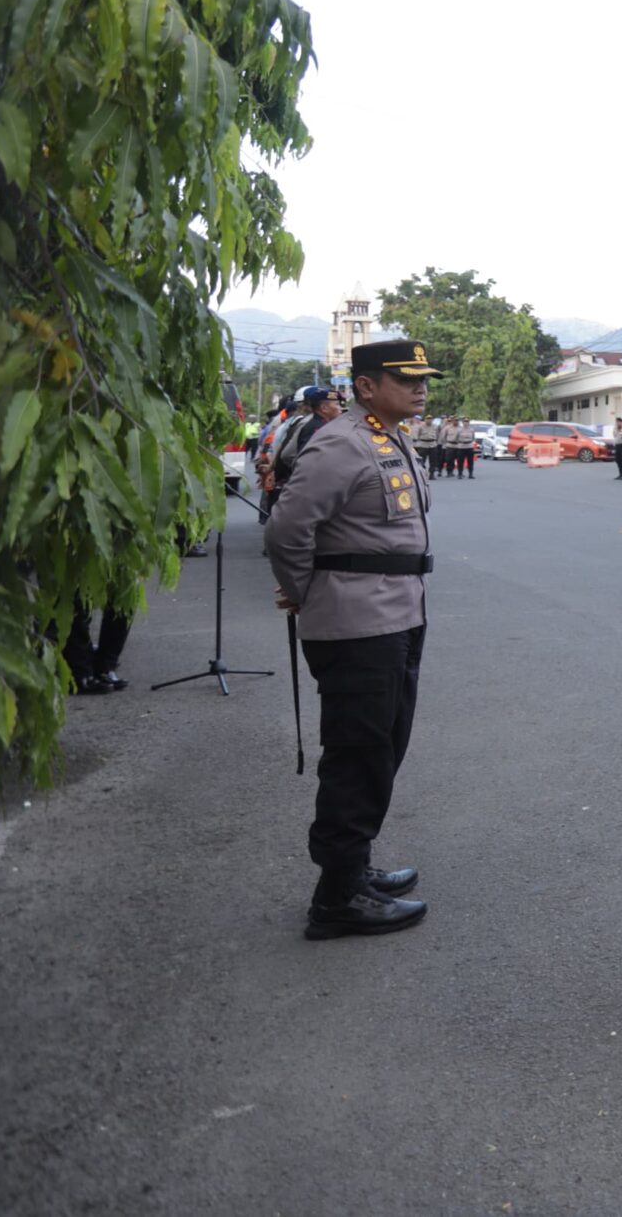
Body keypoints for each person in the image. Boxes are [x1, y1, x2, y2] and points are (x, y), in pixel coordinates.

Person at [263, 339, 441, 941]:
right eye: (405, 378)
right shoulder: (341, 442)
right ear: (365, 385)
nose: (420, 388)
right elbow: (287, 528)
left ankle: (356, 866)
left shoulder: (389, 437)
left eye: (423, 379)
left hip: (397, 615)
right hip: (357, 622)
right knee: (358, 751)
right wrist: (306, 591)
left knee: (383, 745)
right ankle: (336, 895)